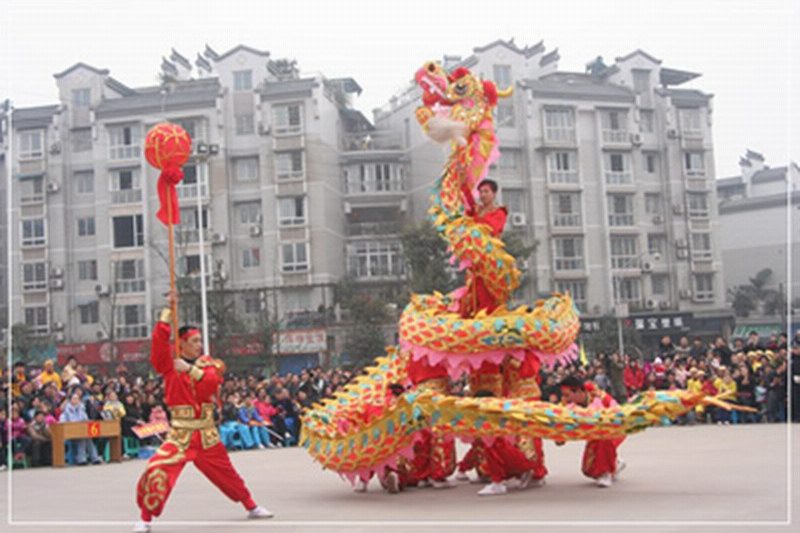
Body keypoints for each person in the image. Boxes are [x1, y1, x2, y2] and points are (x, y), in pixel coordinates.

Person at [133, 292, 272, 533]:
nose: (199, 345)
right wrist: (167, 313)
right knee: (157, 468)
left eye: (200, 341)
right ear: (182, 343)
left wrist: (190, 370)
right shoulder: (169, 365)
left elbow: (211, 383)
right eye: (194, 341)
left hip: (206, 434)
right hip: (181, 435)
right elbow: (158, 346)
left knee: (226, 473)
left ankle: (251, 505)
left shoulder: (208, 364)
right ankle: (145, 519)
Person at [556, 376, 625, 488]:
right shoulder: (566, 403)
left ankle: (605, 473)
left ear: (579, 391)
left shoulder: (598, 395)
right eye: (563, 395)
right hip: (594, 434)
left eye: (567, 395)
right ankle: (615, 463)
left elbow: (616, 410)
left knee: (603, 438)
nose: (565, 398)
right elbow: (561, 421)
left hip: (613, 429)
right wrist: (560, 436)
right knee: (588, 469)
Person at [59, 391, 102, 465]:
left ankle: (94, 458)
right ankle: (81, 459)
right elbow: (64, 422)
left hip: (81, 431)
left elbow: (85, 419)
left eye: (77, 399)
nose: (76, 400)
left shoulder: (81, 408)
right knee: (83, 437)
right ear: (70, 400)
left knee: (87, 437)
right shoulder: (66, 411)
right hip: (70, 432)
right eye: (74, 399)